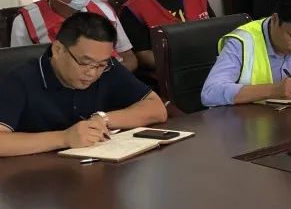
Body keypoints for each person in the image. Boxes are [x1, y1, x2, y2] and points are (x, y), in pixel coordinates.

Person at [0, 12, 168, 157]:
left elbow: (157, 109)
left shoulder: (108, 68)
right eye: (84, 63)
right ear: (58, 50)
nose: (92, 73)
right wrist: (64, 138)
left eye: (100, 65)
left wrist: (103, 119)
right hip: (34, 177)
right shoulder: (20, 79)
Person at [10, 0, 138, 73]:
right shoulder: (27, 21)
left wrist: (114, 78)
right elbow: (19, 69)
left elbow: (129, 57)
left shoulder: (103, 9)